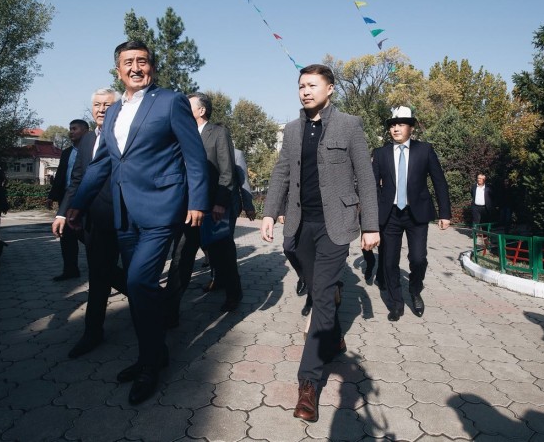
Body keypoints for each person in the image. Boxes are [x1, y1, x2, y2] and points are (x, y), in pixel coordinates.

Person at [66, 41, 209, 405]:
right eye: (128, 62)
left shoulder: (171, 101)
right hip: (123, 212)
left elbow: (194, 155)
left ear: (152, 67)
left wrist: (197, 201)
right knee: (141, 288)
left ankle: (149, 366)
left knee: (138, 281)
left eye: (142, 61)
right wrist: (77, 205)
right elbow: (102, 163)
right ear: (118, 71)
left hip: (162, 207)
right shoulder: (113, 110)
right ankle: (155, 351)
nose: (135, 67)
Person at [260, 64, 379, 423]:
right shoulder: (292, 129)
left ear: (330, 89)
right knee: (311, 279)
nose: (306, 91)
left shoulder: (350, 125)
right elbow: (282, 172)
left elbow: (365, 177)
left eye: (312, 85)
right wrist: (269, 212)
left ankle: (308, 383)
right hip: (299, 224)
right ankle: (335, 335)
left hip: (336, 225)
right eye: (301, 86)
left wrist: (370, 226)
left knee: (322, 297)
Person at [53, 88, 126, 358]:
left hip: (130, 219)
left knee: (136, 276)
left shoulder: (129, 134)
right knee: (98, 276)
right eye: (97, 104)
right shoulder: (86, 140)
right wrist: (63, 212)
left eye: (107, 104)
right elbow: (77, 180)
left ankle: (155, 314)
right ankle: (93, 332)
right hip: (96, 221)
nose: (101, 109)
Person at [164, 92, 243, 328]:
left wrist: (220, 203)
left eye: (188, 106)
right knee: (181, 258)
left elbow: (227, 171)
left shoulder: (217, 133)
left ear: (201, 110)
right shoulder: (179, 133)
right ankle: (170, 310)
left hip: (212, 209)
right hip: (186, 209)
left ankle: (234, 294)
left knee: (223, 255)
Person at [372, 106, 451, 322]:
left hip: (417, 214)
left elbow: (439, 181)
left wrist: (445, 213)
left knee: (418, 258)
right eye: (392, 125)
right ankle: (396, 303)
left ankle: (415, 290)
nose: (395, 129)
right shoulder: (381, 153)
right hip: (389, 215)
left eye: (401, 124)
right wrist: (375, 211)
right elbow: (372, 185)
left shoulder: (424, 150)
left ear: (411, 128)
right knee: (389, 262)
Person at [46, 119, 89, 281]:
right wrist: (52, 196)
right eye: (70, 129)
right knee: (66, 235)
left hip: (86, 198)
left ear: (86, 131)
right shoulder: (66, 153)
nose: (71, 132)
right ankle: (70, 270)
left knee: (87, 234)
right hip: (67, 198)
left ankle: (105, 267)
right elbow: (60, 177)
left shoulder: (93, 150)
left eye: (75, 129)